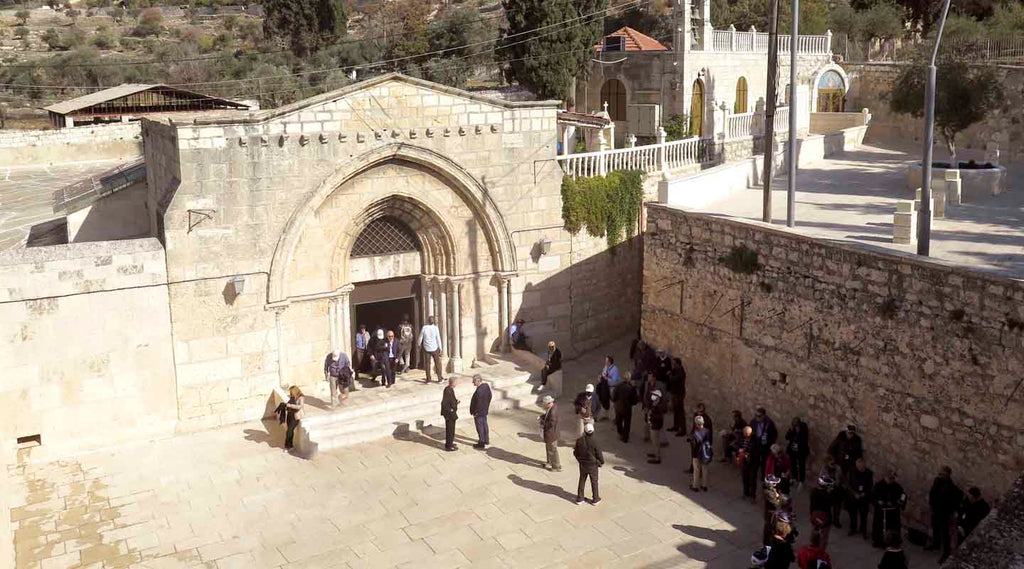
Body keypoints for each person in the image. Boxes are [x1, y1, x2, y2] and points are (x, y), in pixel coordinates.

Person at [927, 465, 963, 564]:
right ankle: (935, 545)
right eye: (939, 473)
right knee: (935, 528)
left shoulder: (951, 487)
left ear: (947, 475)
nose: (939, 475)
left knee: (945, 533)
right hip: (936, 510)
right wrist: (931, 505)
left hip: (944, 513)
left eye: (942, 474)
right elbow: (932, 492)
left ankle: (946, 553)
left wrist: (952, 510)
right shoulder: (937, 481)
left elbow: (959, 497)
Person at [871, 469, 907, 548]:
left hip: (893, 512)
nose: (891, 480)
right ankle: (878, 541)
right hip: (881, 512)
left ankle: (893, 543)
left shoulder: (897, 487)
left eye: (892, 478)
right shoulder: (878, 486)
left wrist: (900, 502)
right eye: (889, 478)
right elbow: (873, 497)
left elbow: (903, 495)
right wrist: (878, 502)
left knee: (893, 528)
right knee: (879, 527)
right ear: (885, 477)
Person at [574, 422, 604, 505]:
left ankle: (580, 498)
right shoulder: (595, 441)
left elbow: (575, 452)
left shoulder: (579, 440)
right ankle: (595, 498)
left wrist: (580, 460)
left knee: (582, 480)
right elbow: (599, 453)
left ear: (585, 431)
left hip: (583, 464)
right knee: (594, 481)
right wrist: (601, 461)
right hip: (592, 465)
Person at [846, 457, 874, 539]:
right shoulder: (852, 471)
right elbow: (848, 484)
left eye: (861, 467)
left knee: (864, 515)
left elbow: (870, 486)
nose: (860, 468)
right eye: (858, 466)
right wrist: (854, 493)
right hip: (853, 496)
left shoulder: (869, 473)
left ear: (864, 465)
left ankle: (864, 531)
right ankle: (853, 528)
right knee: (852, 514)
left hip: (864, 497)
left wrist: (864, 493)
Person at [749, 407, 778, 482]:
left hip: (765, 446)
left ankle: (763, 477)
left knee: (764, 461)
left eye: (759, 416)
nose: (757, 418)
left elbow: (774, 434)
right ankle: (754, 475)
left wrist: (771, 444)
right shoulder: (753, 422)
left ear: (764, 416)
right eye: (756, 415)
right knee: (755, 461)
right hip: (756, 444)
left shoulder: (769, 423)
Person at [810, 475, 835, 549]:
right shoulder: (827, 495)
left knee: (814, 532)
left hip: (814, 516)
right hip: (825, 518)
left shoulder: (813, 492)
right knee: (824, 537)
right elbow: (832, 503)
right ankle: (820, 553)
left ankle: (813, 547)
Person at [612, 375, 639, 443]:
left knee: (619, 421)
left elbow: (614, 396)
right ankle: (625, 438)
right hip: (627, 408)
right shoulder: (631, 388)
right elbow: (635, 400)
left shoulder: (618, 386)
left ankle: (620, 432)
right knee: (627, 423)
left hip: (618, 407)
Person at [418, 316, 444, 384]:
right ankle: (439, 378)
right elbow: (438, 338)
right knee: (437, 363)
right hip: (434, 348)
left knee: (427, 364)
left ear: (428, 321)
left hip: (427, 348)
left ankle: (428, 379)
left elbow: (420, 337)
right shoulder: (435, 328)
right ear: (433, 321)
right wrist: (440, 348)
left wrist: (419, 344)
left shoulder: (424, 328)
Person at [689, 415, 712, 491]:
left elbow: (693, 445)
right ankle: (704, 485)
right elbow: (709, 441)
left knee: (696, 470)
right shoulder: (707, 431)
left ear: (696, 424)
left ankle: (695, 486)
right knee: (705, 469)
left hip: (697, 454)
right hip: (705, 453)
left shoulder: (695, 433)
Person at [785, 417, 809, 487]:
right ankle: (794, 478)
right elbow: (787, 437)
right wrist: (791, 431)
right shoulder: (792, 429)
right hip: (793, 451)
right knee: (793, 464)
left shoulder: (804, 429)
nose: (796, 427)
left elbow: (804, 440)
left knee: (801, 465)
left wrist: (798, 444)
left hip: (801, 451)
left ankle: (801, 480)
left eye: (796, 425)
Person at [539, 395, 561, 471]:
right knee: (549, 449)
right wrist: (542, 416)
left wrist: (542, 422)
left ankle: (556, 466)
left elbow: (551, 423)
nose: (544, 406)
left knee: (552, 450)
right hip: (550, 434)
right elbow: (547, 415)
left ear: (548, 403)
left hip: (552, 434)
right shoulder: (551, 408)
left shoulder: (553, 412)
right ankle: (550, 462)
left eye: (545, 404)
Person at [470, 374, 492, 449]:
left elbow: (478, 403)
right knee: (485, 425)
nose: (473, 383)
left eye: (474, 381)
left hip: (479, 412)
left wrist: (476, 412)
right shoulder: (486, 386)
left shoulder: (479, 391)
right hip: (484, 411)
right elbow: (490, 396)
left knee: (480, 427)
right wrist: (486, 406)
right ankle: (486, 440)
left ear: (478, 381)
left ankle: (481, 442)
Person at [739, 426, 758, 502]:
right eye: (744, 433)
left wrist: (749, 454)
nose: (744, 435)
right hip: (744, 462)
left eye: (746, 434)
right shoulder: (743, 438)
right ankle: (745, 493)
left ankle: (753, 496)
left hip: (752, 463)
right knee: (745, 478)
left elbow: (756, 452)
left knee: (752, 480)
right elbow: (740, 445)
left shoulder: (755, 440)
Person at [646, 389, 666, 464]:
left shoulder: (659, 406)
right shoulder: (654, 404)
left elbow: (659, 417)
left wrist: (652, 416)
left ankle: (657, 458)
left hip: (656, 425)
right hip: (653, 423)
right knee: (653, 440)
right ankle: (655, 453)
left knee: (656, 441)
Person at [668, 357, 687, 434]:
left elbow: (673, 379)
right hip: (675, 393)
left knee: (680, 411)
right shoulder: (676, 370)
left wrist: (670, 375)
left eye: (675, 364)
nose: (673, 365)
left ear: (678, 364)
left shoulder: (681, 373)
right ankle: (676, 426)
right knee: (675, 410)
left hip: (679, 393)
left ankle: (682, 429)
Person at [440, 378, 459, 451]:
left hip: (450, 413)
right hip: (449, 414)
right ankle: (449, 445)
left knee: (451, 429)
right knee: (450, 430)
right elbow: (445, 403)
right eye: (455, 382)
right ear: (452, 383)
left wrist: (455, 401)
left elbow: (450, 400)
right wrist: (451, 409)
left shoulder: (449, 389)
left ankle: (450, 442)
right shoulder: (448, 390)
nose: (456, 384)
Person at [284, 385, 304, 451]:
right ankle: (290, 445)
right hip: (290, 415)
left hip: (296, 416)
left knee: (289, 431)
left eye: (291, 392)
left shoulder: (301, 397)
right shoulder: (293, 397)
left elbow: (300, 406)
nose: (290, 393)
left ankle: (287, 446)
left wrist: (290, 405)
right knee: (289, 431)